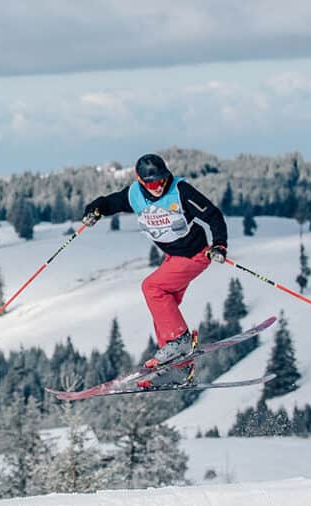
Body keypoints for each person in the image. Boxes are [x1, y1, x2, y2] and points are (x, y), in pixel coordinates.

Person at [83, 153, 228, 379]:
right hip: (173, 257)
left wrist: (219, 244)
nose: (158, 187)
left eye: (161, 180)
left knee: (152, 288)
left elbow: (212, 215)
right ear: (141, 181)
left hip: (195, 255)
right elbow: (110, 202)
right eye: (151, 183)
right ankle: (177, 359)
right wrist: (95, 209)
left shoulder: (180, 191)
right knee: (164, 306)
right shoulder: (134, 195)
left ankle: (179, 341)